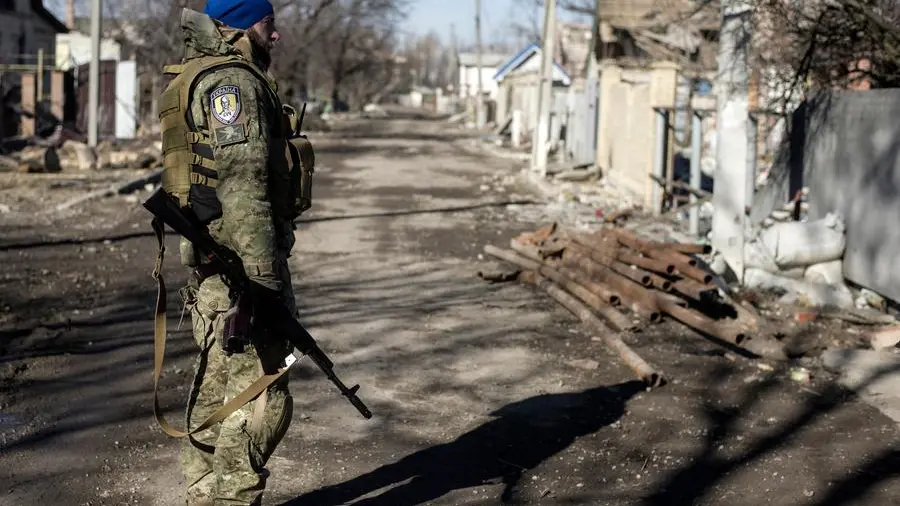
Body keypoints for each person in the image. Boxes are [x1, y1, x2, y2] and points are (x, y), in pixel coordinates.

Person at [153, 1, 312, 504]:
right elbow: (244, 186)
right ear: (241, 26)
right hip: (240, 266)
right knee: (265, 392)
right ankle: (231, 497)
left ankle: (203, 491)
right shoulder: (233, 84)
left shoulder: (201, 74)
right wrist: (263, 280)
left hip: (215, 265)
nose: (276, 35)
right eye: (269, 24)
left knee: (217, 379)